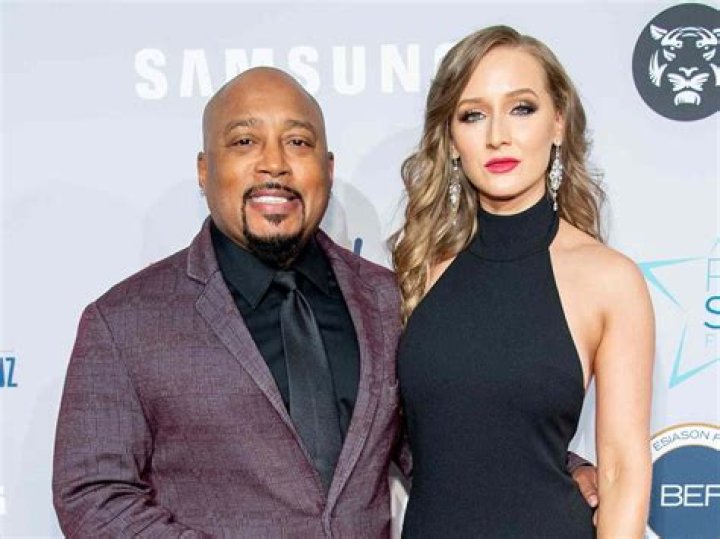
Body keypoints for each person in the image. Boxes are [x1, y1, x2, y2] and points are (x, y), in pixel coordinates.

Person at [53, 66, 598, 538]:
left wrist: (560, 469)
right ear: (204, 169)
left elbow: (440, 434)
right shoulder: (124, 322)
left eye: (298, 142)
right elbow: (92, 495)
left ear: (328, 168)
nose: (274, 164)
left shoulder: (387, 299)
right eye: (244, 142)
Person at [392, 26, 654, 538]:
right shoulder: (417, 268)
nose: (498, 136)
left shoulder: (609, 279)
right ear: (451, 140)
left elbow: (623, 470)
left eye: (521, 108)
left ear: (558, 123)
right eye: (473, 114)